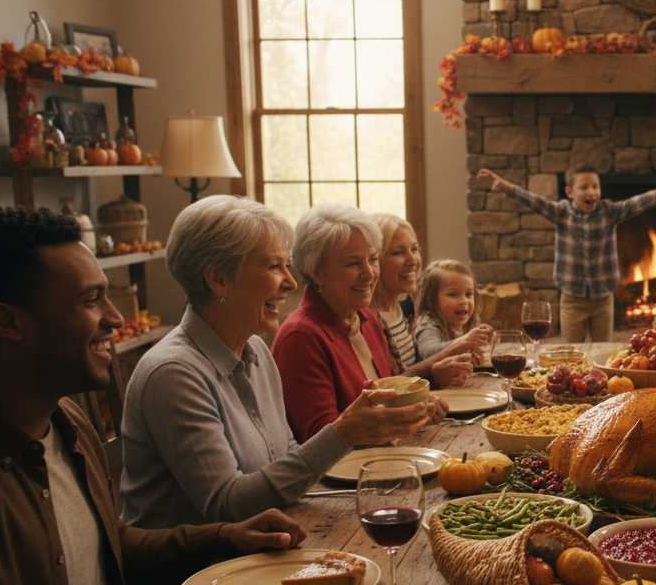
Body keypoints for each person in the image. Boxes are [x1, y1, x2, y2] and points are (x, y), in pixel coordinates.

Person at [0, 206, 311, 585]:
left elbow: (106, 547)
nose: (115, 317)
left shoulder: (65, 421)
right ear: (8, 321)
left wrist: (225, 537)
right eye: (91, 300)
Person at [119, 197, 442, 529]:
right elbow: (227, 506)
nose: (290, 282)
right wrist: (344, 433)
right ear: (218, 280)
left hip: (269, 545)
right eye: (274, 266)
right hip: (202, 574)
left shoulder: (255, 350)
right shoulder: (174, 374)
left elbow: (286, 454)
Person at [477, 165, 656, 342]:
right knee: (573, 352)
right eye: (584, 187)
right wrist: (506, 187)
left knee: (602, 350)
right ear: (570, 192)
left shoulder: (609, 212)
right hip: (572, 300)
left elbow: (640, 202)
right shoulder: (561, 212)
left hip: (603, 299)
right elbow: (534, 201)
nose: (591, 191)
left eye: (595, 186)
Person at [272, 203, 428, 443]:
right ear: (316, 272)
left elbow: (386, 398)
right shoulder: (300, 336)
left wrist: (418, 406)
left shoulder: (366, 316)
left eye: (373, 259)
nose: (369, 273)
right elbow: (318, 439)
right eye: (353, 263)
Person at [367, 213, 472, 386]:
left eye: (414, 249)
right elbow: (384, 386)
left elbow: (410, 370)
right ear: (374, 261)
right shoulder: (366, 318)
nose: (413, 261)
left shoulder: (405, 305)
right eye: (398, 252)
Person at [413, 259, 493, 365]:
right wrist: (465, 341)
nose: (464, 301)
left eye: (468, 294)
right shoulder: (428, 325)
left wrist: (477, 341)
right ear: (432, 299)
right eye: (453, 294)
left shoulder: (455, 324)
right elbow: (429, 353)